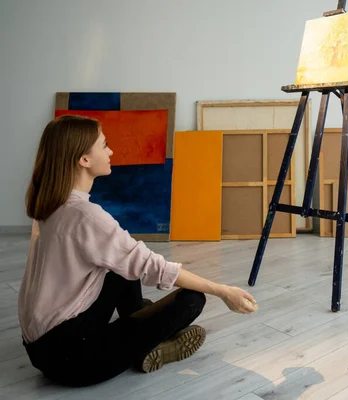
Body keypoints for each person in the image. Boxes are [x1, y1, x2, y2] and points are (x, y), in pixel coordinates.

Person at [18, 115, 258, 388]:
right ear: (84, 160)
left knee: (120, 269)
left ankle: (141, 327)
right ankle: (149, 344)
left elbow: (132, 262)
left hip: (42, 346)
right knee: (193, 299)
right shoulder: (85, 216)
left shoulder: (51, 204)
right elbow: (154, 267)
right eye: (104, 145)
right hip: (74, 360)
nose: (110, 151)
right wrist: (223, 291)